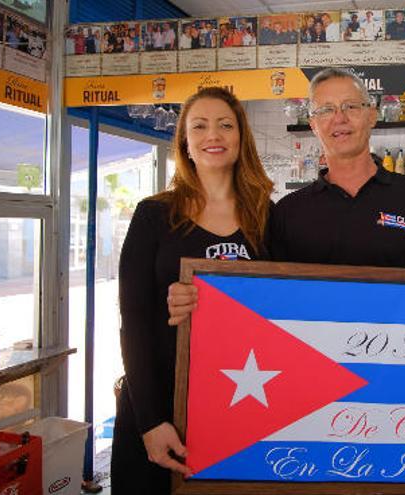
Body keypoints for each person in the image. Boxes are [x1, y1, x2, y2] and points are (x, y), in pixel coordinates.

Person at [169, 68, 405, 338]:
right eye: (326, 110)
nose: (340, 118)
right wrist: (196, 299)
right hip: (313, 378)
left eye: (350, 106)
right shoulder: (287, 212)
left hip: (402, 369)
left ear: (372, 115)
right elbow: (261, 296)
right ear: (314, 125)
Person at [112, 86, 273, 494]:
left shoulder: (268, 217)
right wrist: (150, 419)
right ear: (184, 140)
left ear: (241, 138)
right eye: (199, 126)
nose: (213, 135)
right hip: (159, 402)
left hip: (242, 399)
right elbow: (133, 322)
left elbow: (285, 308)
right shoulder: (154, 215)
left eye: (225, 125)